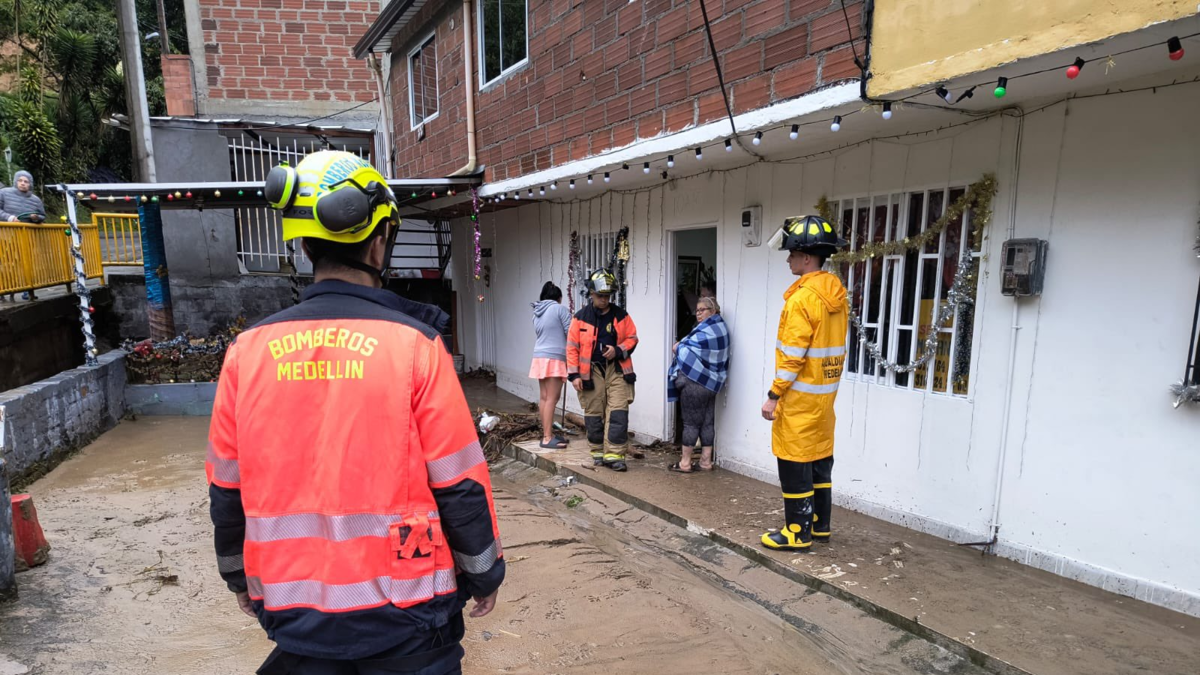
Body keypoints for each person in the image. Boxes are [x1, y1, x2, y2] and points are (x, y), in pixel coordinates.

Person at [206, 151, 504, 675]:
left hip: (295, 611)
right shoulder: (415, 345)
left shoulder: (246, 352)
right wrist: (484, 572)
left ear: (303, 244)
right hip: (408, 608)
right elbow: (458, 480)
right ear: (379, 240)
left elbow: (226, 487)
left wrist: (236, 577)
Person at [760, 215, 848, 552]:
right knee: (820, 460)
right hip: (824, 402)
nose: (788, 260)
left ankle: (797, 532)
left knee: (794, 463)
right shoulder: (835, 296)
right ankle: (820, 526)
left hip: (798, 401)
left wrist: (773, 395)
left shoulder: (801, 300)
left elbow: (793, 356)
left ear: (807, 258)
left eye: (793, 254)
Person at [566, 269, 639, 472]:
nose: (604, 300)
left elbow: (632, 338)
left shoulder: (621, 316)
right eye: (600, 296)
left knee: (618, 413)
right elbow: (571, 348)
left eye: (607, 296)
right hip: (591, 372)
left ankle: (615, 455)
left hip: (617, 370)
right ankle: (598, 453)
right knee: (594, 415)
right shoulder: (580, 318)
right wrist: (574, 375)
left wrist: (617, 350)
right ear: (591, 294)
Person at [667, 296, 729, 473]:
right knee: (707, 422)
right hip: (712, 383)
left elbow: (684, 349)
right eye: (697, 310)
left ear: (713, 311)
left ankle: (685, 463)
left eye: (703, 310)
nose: (698, 314)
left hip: (695, 382)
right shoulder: (721, 328)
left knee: (690, 423)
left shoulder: (708, 330)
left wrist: (678, 347)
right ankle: (705, 462)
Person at [530, 281, 572, 449]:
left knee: (544, 397)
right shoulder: (560, 309)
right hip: (555, 357)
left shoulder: (536, 312)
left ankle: (547, 434)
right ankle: (547, 438)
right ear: (559, 298)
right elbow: (570, 333)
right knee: (552, 399)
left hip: (539, 356)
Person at [0, 171, 46, 301]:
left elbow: (43, 215)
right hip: (5, 235)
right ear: (16, 181)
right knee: (5, 263)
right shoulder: (4, 193)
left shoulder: (35, 200)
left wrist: (36, 218)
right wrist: (9, 218)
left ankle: (27, 290)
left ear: (30, 184)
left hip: (26, 236)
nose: (23, 183)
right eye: (20, 180)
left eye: (26, 181)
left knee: (25, 263)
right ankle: (3, 290)